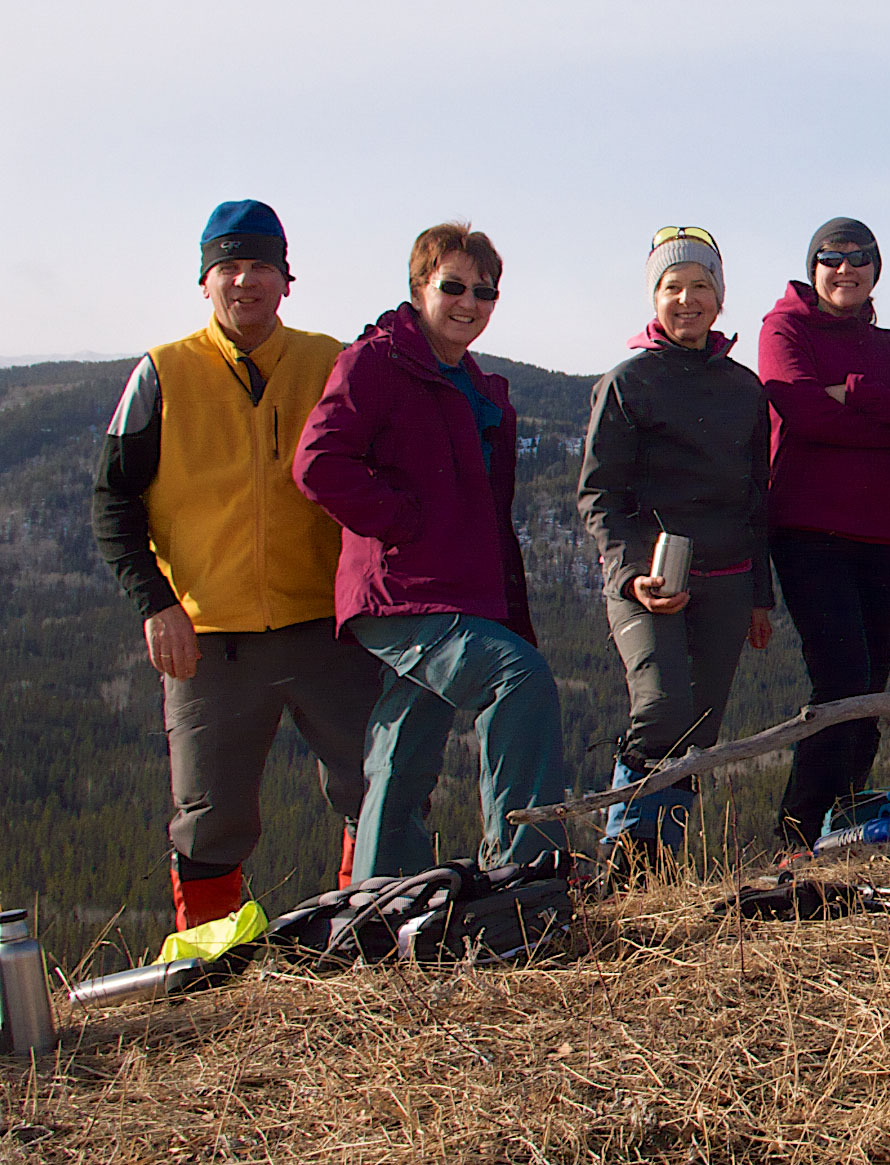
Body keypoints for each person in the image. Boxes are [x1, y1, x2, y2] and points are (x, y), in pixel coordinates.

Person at [91, 200, 382, 930]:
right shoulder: (162, 373)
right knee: (209, 817)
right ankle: (216, 966)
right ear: (205, 280)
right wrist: (156, 604)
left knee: (376, 787)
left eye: (260, 266)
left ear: (287, 279)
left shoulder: (332, 363)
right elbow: (112, 500)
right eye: (229, 266)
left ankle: (368, 933)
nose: (245, 280)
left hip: (327, 627)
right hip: (207, 637)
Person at [294, 223, 569, 879]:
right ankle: (526, 872)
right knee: (519, 677)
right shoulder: (375, 362)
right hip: (400, 594)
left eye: (484, 291)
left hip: (458, 593)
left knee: (406, 745)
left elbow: (486, 514)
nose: (469, 302)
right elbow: (317, 463)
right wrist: (401, 522)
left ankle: (381, 893)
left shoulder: (474, 385)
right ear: (420, 287)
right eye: (453, 286)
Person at [575, 227, 775, 878]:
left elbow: (756, 499)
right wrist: (631, 573)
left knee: (700, 730)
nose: (686, 299)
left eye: (699, 286)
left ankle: (658, 868)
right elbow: (599, 494)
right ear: (653, 298)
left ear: (719, 298)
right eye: (672, 287)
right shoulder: (627, 383)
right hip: (648, 578)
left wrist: (760, 597)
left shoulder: (745, 390)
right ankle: (623, 864)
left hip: (728, 577)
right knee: (662, 710)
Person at [759, 218, 890, 849]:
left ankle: (842, 827)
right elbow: (803, 412)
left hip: (889, 535)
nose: (845, 268)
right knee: (842, 680)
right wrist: (889, 413)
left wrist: (854, 392)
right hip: (810, 530)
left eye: (860, 258)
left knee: (870, 688)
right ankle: (797, 834)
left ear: (875, 270)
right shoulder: (784, 330)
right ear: (812, 267)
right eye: (831, 257)